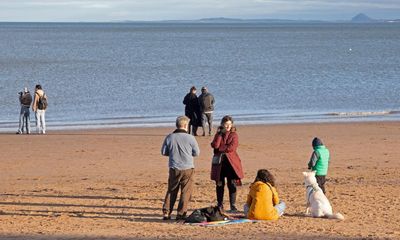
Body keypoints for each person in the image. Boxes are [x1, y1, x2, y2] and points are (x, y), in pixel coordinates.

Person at [161, 116, 200, 220]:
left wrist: (173, 153)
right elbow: (196, 153)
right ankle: (181, 213)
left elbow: (164, 152)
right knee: (186, 191)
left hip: (174, 167)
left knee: (172, 189)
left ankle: (167, 211)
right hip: (188, 168)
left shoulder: (169, 137)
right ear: (186, 125)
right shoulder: (190, 137)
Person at [210, 115, 244, 212]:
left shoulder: (234, 135)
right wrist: (220, 134)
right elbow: (215, 145)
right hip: (219, 164)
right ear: (222, 124)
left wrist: (220, 149)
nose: (228, 126)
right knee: (219, 184)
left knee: (232, 184)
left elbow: (231, 148)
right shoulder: (218, 134)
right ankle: (220, 204)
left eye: (229, 124)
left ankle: (233, 205)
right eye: (226, 124)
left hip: (231, 163)